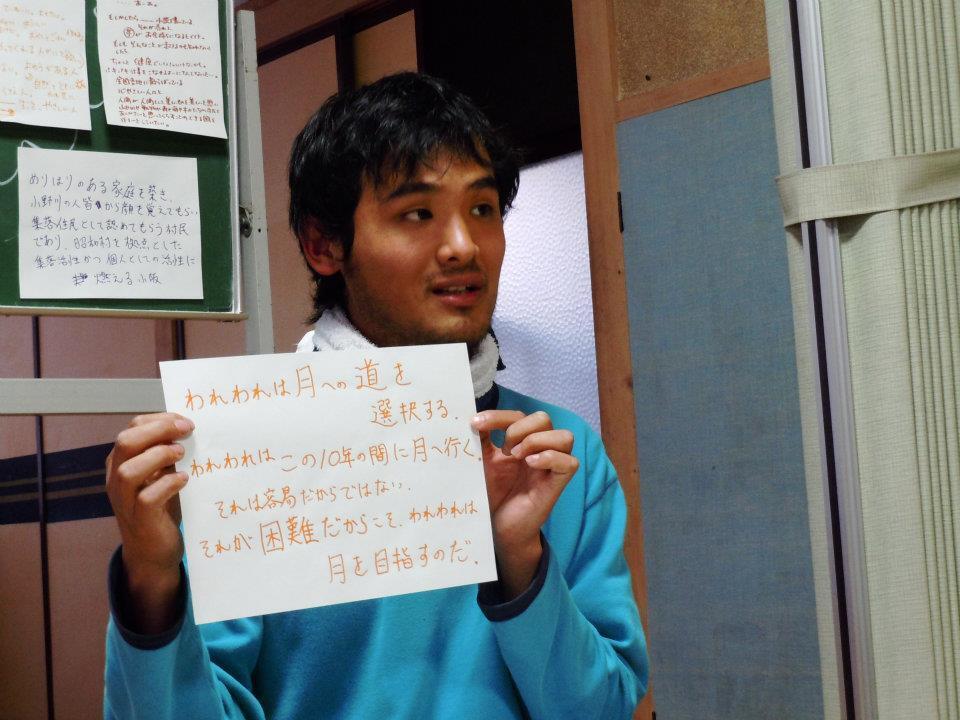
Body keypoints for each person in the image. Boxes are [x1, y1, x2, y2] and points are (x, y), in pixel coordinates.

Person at [103, 72, 648, 720]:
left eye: (482, 209)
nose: (462, 246)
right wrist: (152, 579)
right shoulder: (243, 457)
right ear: (323, 245)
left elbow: (605, 708)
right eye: (418, 214)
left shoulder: (558, 454)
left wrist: (521, 563)